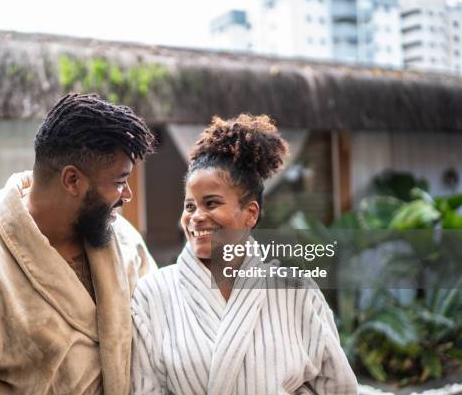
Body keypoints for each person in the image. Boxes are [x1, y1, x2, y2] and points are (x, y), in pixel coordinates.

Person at [0, 93, 157, 395]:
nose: (127, 196)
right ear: (72, 180)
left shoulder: (125, 242)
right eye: (119, 182)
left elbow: (160, 340)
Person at [131, 114, 358, 395]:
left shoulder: (296, 292)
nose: (196, 217)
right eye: (190, 207)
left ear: (250, 213)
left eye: (211, 203)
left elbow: (338, 387)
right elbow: (143, 389)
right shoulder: (152, 294)